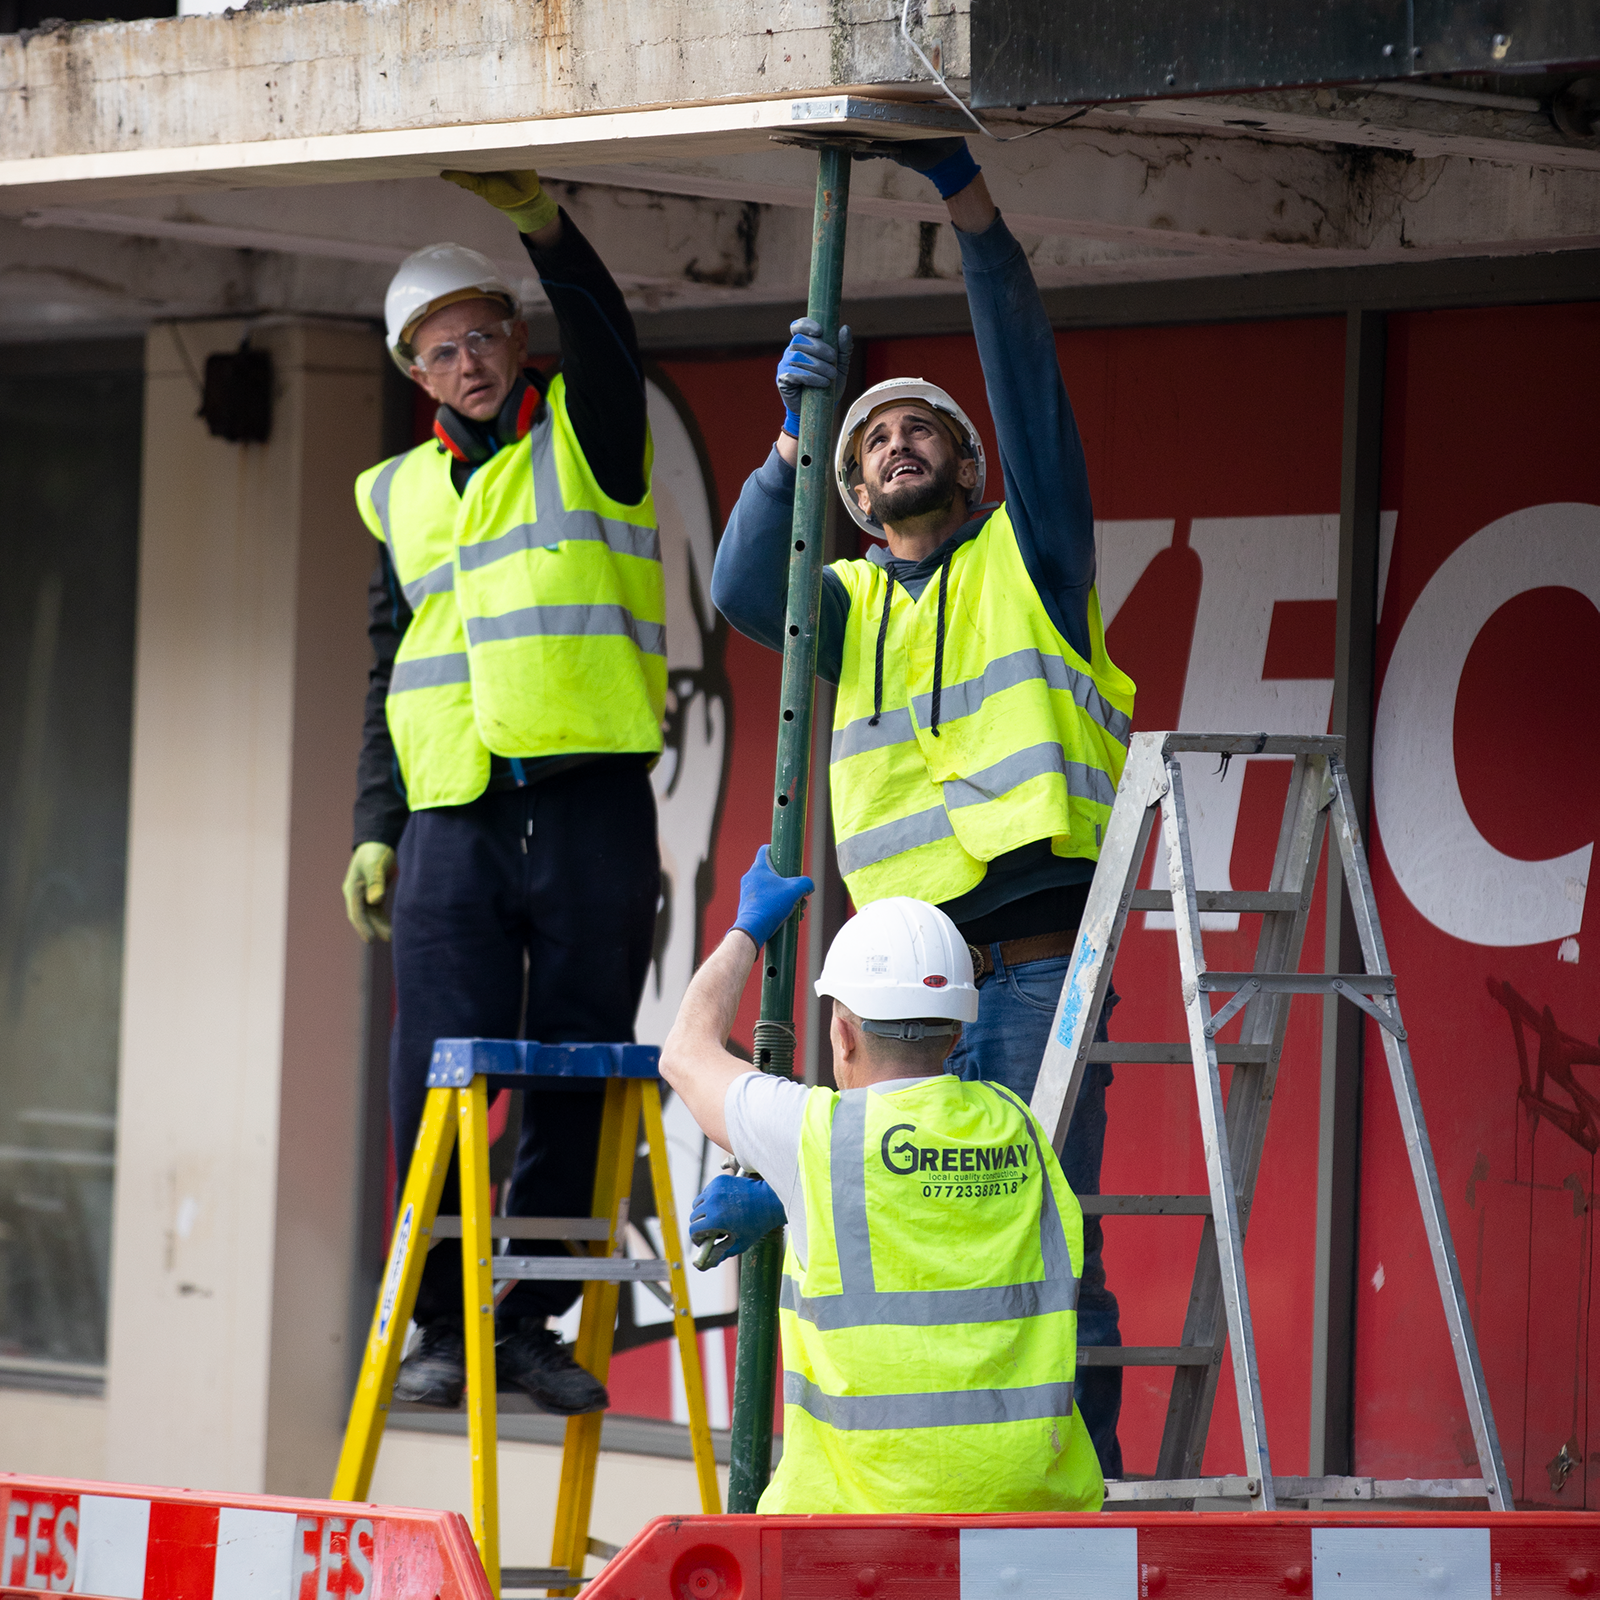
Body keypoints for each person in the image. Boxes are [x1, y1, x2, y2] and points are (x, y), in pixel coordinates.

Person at [709, 137, 1136, 1474]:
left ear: (967, 466)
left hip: (1040, 965)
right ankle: (953, 1471)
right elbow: (737, 587)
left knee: (1044, 1224)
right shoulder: (835, 603)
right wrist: (786, 445)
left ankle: (1085, 1482)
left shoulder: (1035, 552)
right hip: (901, 985)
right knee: (906, 1229)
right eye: (871, 438)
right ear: (852, 500)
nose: (896, 443)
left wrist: (972, 212)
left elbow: (1031, 390)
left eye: (921, 430)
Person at [342, 169, 664, 1414]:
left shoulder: (590, 434)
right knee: (436, 1079)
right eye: (439, 349)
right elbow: (390, 663)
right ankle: (437, 1321)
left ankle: (532, 1323)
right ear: (413, 373)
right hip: (451, 822)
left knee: (578, 1073)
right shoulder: (397, 493)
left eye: (482, 334)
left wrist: (547, 227)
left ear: (515, 339)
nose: (466, 361)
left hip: (588, 805)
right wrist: (375, 828)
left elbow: (609, 335)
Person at [663, 849, 1104, 1514]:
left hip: (865, 1520)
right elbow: (937, 1223)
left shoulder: (814, 1136)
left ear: (841, 1035)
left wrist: (746, 930)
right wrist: (791, 1199)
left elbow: (686, 1052)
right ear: (957, 1030)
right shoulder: (1022, 1130)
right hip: (1032, 1504)